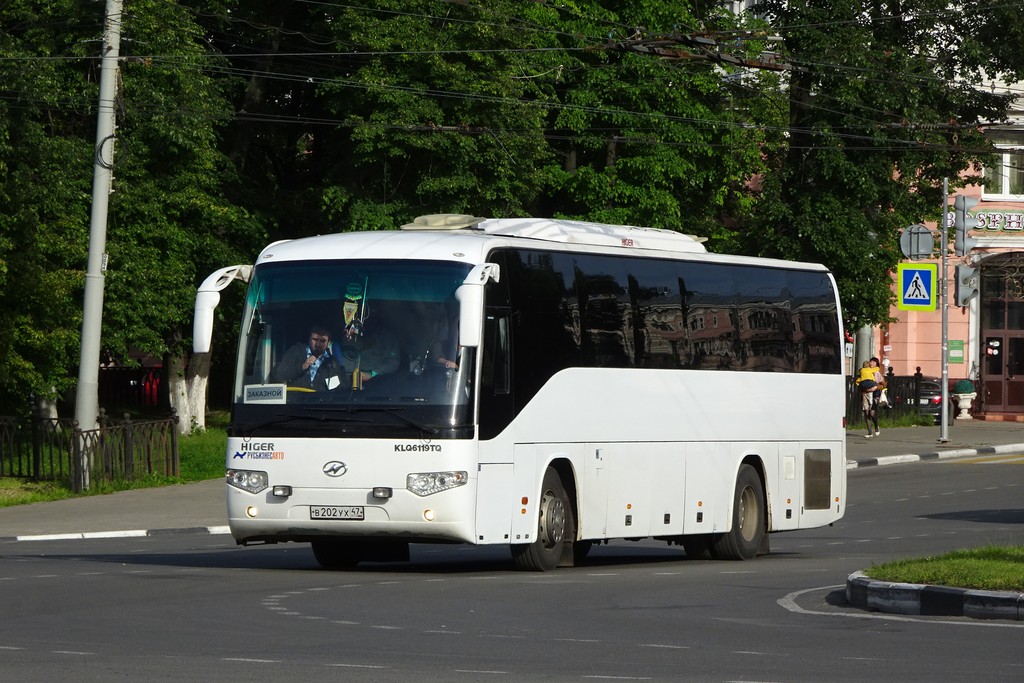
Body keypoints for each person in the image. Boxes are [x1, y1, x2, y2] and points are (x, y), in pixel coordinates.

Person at [270, 325, 343, 391]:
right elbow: (279, 376)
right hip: (294, 401)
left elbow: (336, 390)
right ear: (309, 339)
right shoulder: (296, 352)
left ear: (328, 343)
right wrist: (302, 367)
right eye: (315, 339)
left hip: (319, 403)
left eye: (322, 341)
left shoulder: (332, 362)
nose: (318, 344)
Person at [338, 320, 400, 388]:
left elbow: (393, 364)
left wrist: (372, 374)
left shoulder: (387, 338)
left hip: (375, 387)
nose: (365, 320)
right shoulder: (349, 335)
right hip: (345, 386)